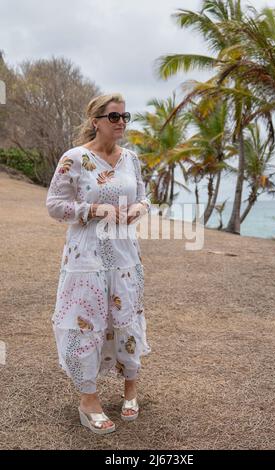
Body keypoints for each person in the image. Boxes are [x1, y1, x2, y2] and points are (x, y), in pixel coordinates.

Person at [46, 93, 152, 435]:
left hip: (124, 256)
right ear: (96, 120)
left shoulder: (132, 159)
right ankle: (88, 399)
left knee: (126, 320)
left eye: (125, 116)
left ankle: (130, 389)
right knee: (86, 323)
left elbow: (144, 197)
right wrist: (93, 210)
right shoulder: (74, 158)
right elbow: (54, 205)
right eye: (114, 117)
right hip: (86, 258)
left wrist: (139, 210)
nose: (121, 122)